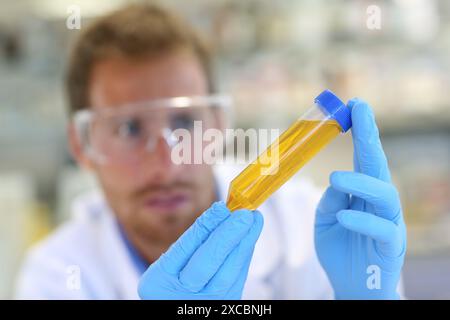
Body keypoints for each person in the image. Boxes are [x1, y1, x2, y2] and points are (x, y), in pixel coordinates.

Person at [15, 3, 406, 300]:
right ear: (81, 147)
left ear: (219, 125)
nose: (167, 162)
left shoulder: (305, 225)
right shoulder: (57, 275)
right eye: (129, 128)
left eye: (184, 124)